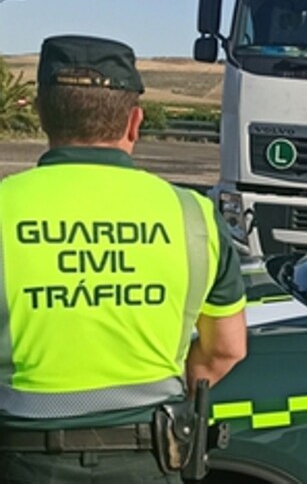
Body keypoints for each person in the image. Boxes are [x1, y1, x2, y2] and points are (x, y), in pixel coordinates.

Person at [0, 35, 248, 483]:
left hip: (21, 459)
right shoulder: (194, 216)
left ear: (42, 115)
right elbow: (226, 348)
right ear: (134, 122)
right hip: (150, 459)